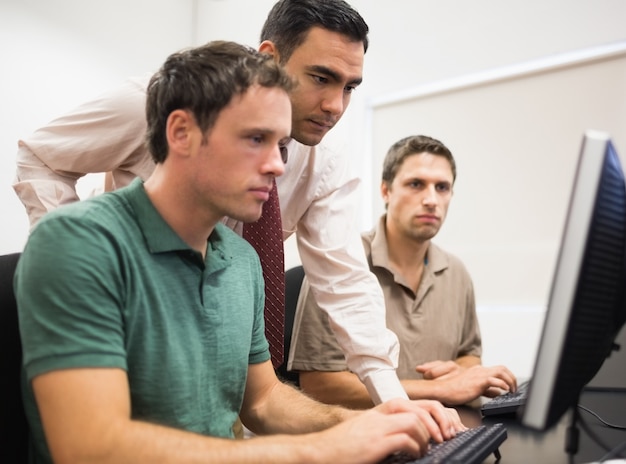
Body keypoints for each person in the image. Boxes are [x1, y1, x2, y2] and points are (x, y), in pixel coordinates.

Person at [15, 42, 465, 464]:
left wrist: (365, 422)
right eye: (255, 139)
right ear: (181, 133)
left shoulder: (241, 259)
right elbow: (91, 448)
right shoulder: (75, 244)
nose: (277, 165)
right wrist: (321, 449)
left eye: (281, 145)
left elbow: (263, 400)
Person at [14, 0, 404, 404]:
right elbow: (42, 156)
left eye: (350, 87)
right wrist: (74, 260)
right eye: (321, 78)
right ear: (269, 59)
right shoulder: (161, 103)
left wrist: (392, 404)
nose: (335, 106)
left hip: (227, 351)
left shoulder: (320, 163)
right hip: (131, 312)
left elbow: (345, 282)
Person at [289, 135, 518, 409]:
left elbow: (469, 355)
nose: (431, 200)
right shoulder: (339, 263)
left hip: (442, 432)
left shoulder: (457, 273)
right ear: (386, 191)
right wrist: (439, 389)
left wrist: (461, 372)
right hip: (365, 437)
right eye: (416, 184)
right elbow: (321, 387)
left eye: (442, 187)